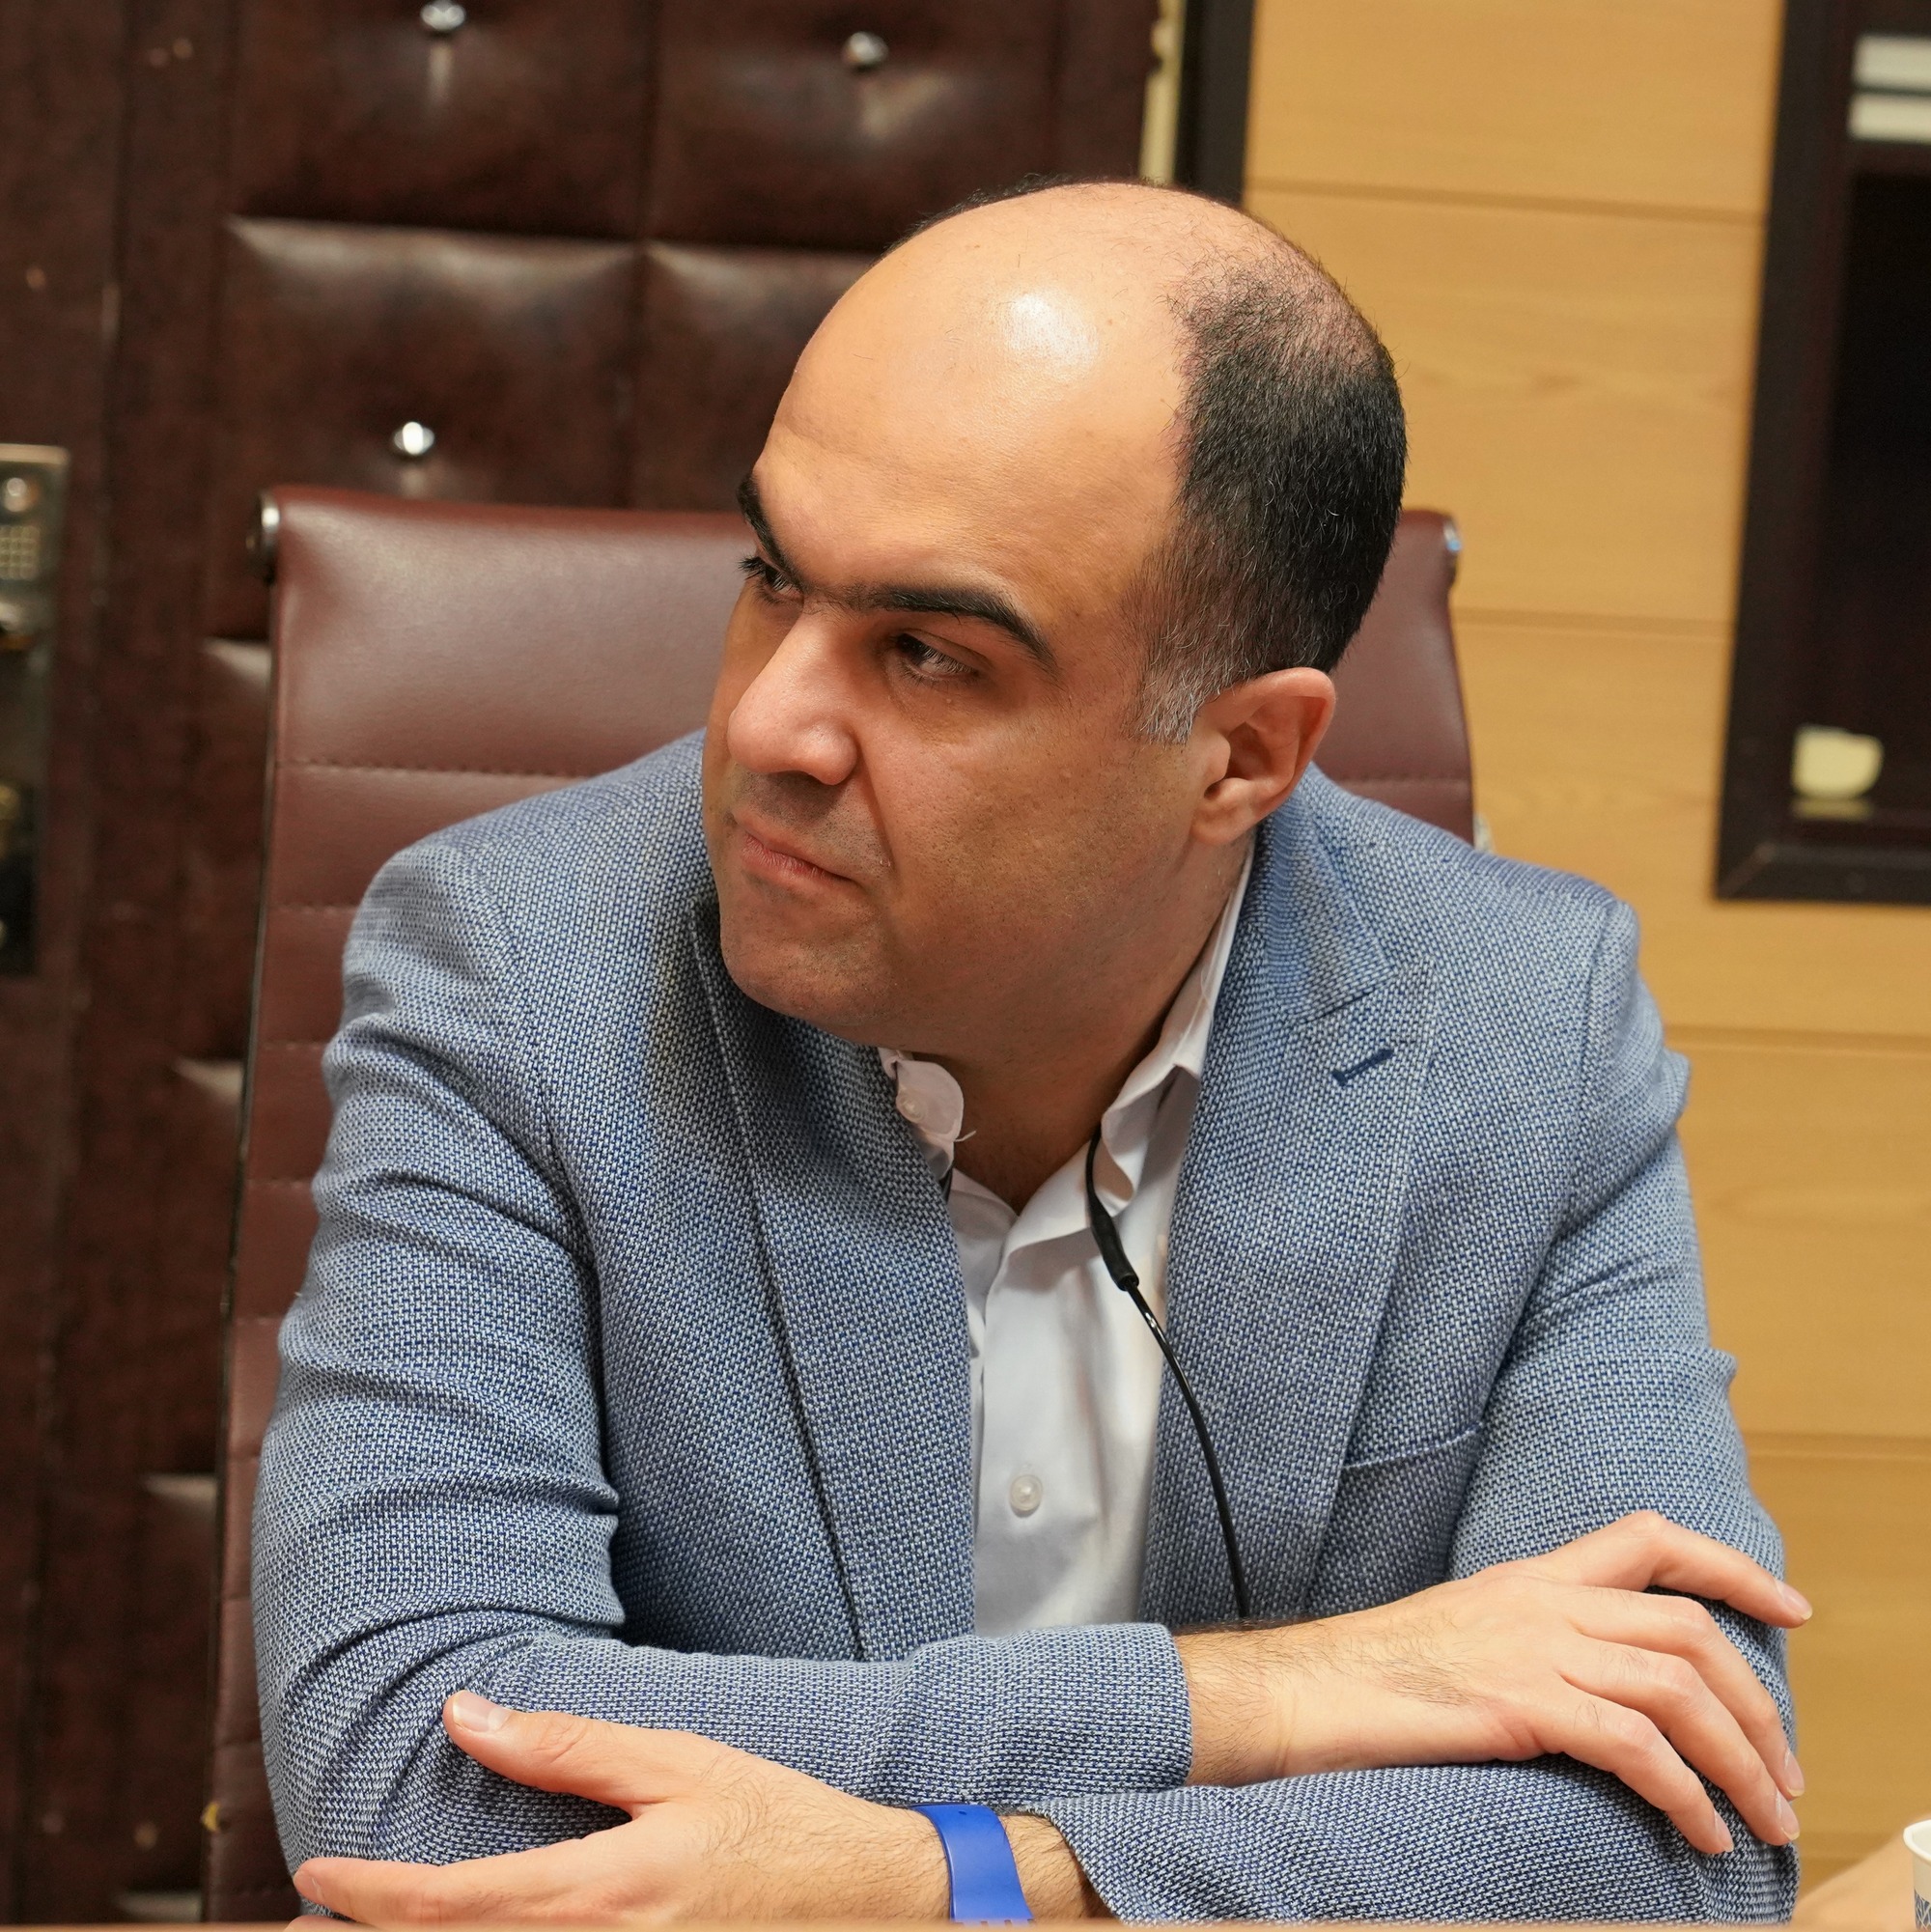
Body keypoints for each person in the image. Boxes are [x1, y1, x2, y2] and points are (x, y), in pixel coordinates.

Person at [257, 178, 1804, 1924]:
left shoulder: (1528, 1021)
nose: (766, 720)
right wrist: (1279, 1691)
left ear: (1241, 756)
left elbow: (1687, 1841)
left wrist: (969, 1886)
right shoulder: (516, 969)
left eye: (926, 652)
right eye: (770, 577)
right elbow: (410, 1773)